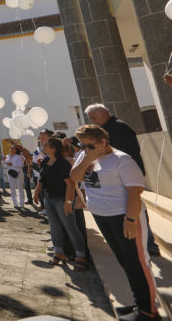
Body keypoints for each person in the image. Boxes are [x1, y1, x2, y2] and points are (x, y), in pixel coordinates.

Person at [71, 124, 158, 321]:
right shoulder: (84, 157)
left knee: (138, 264)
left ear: (103, 142)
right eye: (82, 145)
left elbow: (135, 191)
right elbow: (75, 177)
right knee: (124, 261)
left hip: (124, 216)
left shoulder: (122, 160)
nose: (85, 149)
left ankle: (148, 312)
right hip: (103, 216)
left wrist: (130, 219)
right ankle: (139, 303)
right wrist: (87, 158)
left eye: (90, 146)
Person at [86, 103, 160, 256]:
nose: (92, 120)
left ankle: (148, 242)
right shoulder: (106, 129)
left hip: (126, 174)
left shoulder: (118, 128)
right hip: (116, 175)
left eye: (94, 117)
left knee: (134, 205)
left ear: (104, 113)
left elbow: (120, 152)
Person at [33, 137, 88, 270]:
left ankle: (81, 257)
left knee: (71, 227)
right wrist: (36, 193)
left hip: (63, 199)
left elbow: (70, 184)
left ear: (53, 149)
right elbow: (42, 179)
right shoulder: (46, 160)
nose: (43, 146)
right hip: (49, 198)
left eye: (46, 145)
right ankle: (59, 253)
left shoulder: (62, 163)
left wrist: (68, 202)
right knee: (54, 226)